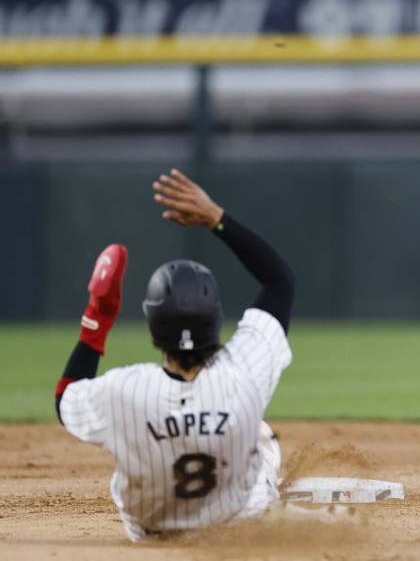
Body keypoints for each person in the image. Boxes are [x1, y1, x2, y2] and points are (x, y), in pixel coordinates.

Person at [55, 169, 296, 540]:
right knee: (261, 436)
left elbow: (65, 397)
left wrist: (97, 319)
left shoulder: (123, 390)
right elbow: (279, 280)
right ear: (216, 320)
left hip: (153, 530)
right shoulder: (243, 373)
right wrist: (216, 219)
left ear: (152, 327)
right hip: (239, 526)